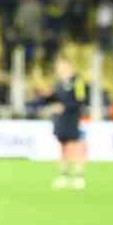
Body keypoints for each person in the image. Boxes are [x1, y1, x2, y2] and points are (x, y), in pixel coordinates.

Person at [48, 58, 88, 189]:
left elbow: (81, 101)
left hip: (73, 119)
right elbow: (54, 98)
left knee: (76, 147)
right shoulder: (59, 83)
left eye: (61, 67)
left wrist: (64, 107)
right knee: (63, 147)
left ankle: (79, 176)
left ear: (68, 67)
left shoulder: (78, 82)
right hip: (61, 120)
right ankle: (63, 176)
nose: (58, 70)